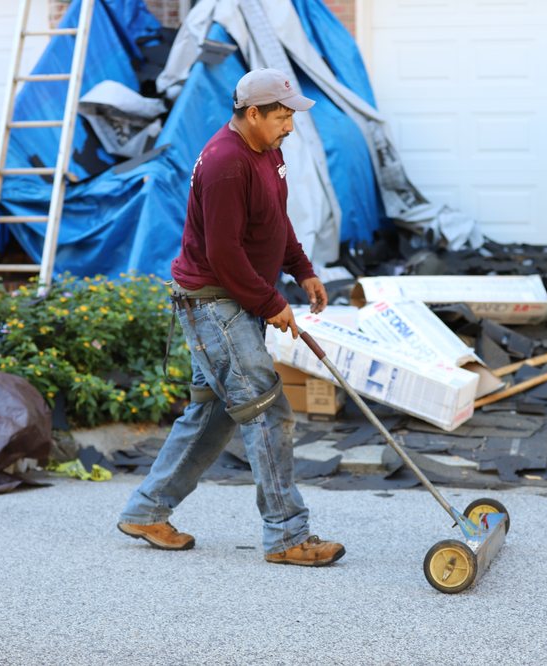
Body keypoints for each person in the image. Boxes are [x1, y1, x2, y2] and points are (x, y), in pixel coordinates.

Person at [117, 68, 345, 567]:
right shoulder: (225, 164)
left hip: (237, 299)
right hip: (214, 303)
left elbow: (276, 218)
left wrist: (301, 270)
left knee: (215, 413)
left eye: (291, 117)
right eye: (282, 117)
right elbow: (224, 254)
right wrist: (271, 303)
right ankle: (288, 537)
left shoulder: (267, 151)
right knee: (267, 409)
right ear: (253, 113)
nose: (290, 126)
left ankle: (145, 510)